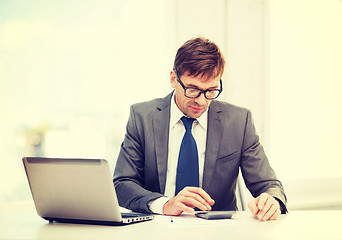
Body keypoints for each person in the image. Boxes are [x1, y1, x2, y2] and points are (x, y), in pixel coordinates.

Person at [113, 37, 287, 221]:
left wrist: (271, 201)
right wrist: (164, 204)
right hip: (157, 227)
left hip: (219, 231)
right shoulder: (142, 117)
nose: (202, 101)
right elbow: (122, 184)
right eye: (193, 89)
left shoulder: (238, 121)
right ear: (173, 79)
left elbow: (269, 185)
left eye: (211, 90)